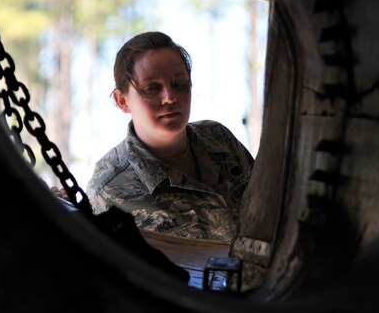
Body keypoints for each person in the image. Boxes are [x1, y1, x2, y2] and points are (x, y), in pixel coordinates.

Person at [87, 31, 254, 241]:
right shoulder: (109, 190)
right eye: (152, 88)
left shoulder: (220, 140)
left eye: (179, 84)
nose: (169, 97)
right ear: (122, 101)